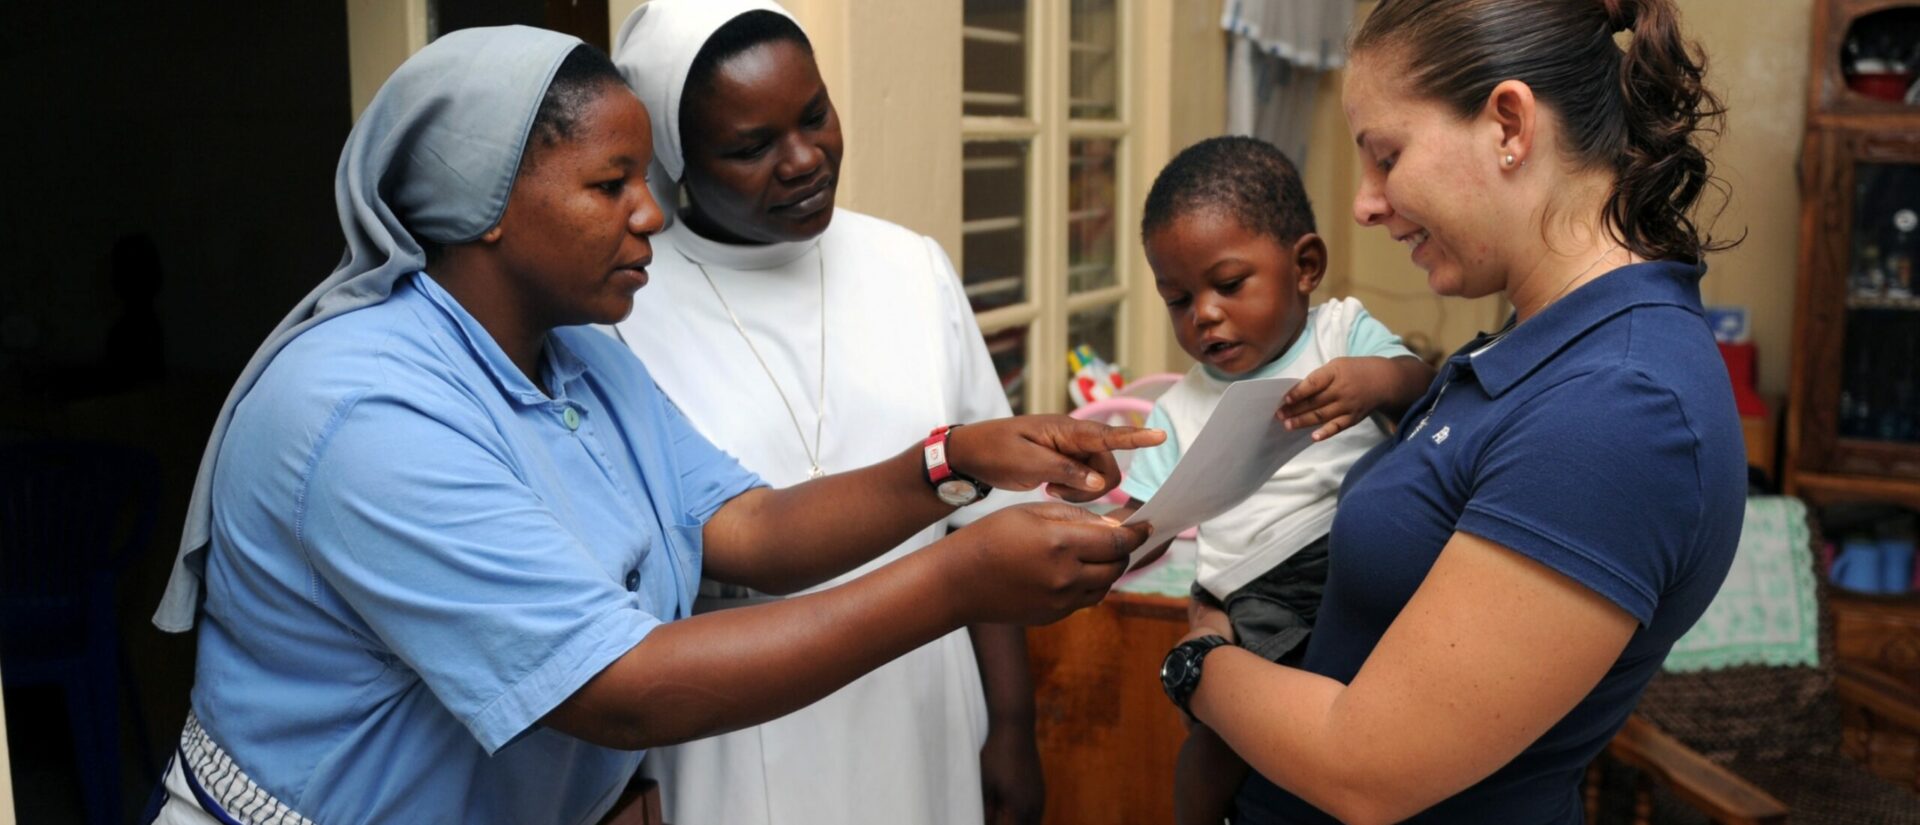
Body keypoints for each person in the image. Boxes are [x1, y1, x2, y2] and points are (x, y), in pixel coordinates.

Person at [144, 27, 1160, 825]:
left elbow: (748, 528)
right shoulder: (363, 410)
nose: (654, 214)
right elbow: (618, 688)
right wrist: (956, 581)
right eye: (610, 184)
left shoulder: (575, 349)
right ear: (483, 203)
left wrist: (956, 459)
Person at [1154, 1, 1747, 822]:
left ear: (1509, 123)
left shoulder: (1619, 407)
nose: (1364, 204)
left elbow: (1366, 768)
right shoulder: (1537, 345)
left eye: (1385, 157)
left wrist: (1197, 661)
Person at [607, 4, 1045, 822]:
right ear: (678, 158)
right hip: (733, 730)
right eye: (750, 146)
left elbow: (981, 522)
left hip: (922, 699)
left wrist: (1013, 726)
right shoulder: (623, 307)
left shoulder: (910, 266)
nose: (804, 159)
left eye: (815, 116)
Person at [1108, 135, 1432, 825]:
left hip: (1351, 556)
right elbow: (1145, 523)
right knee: (1226, 742)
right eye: (1177, 298)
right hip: (1257, 590)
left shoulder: (1342, 333)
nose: (1204, 314)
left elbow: (1423, 389)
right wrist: (1107, 540)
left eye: (1228, 284)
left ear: (1304, 265)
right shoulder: (1179, 407)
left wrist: (1373, 380)